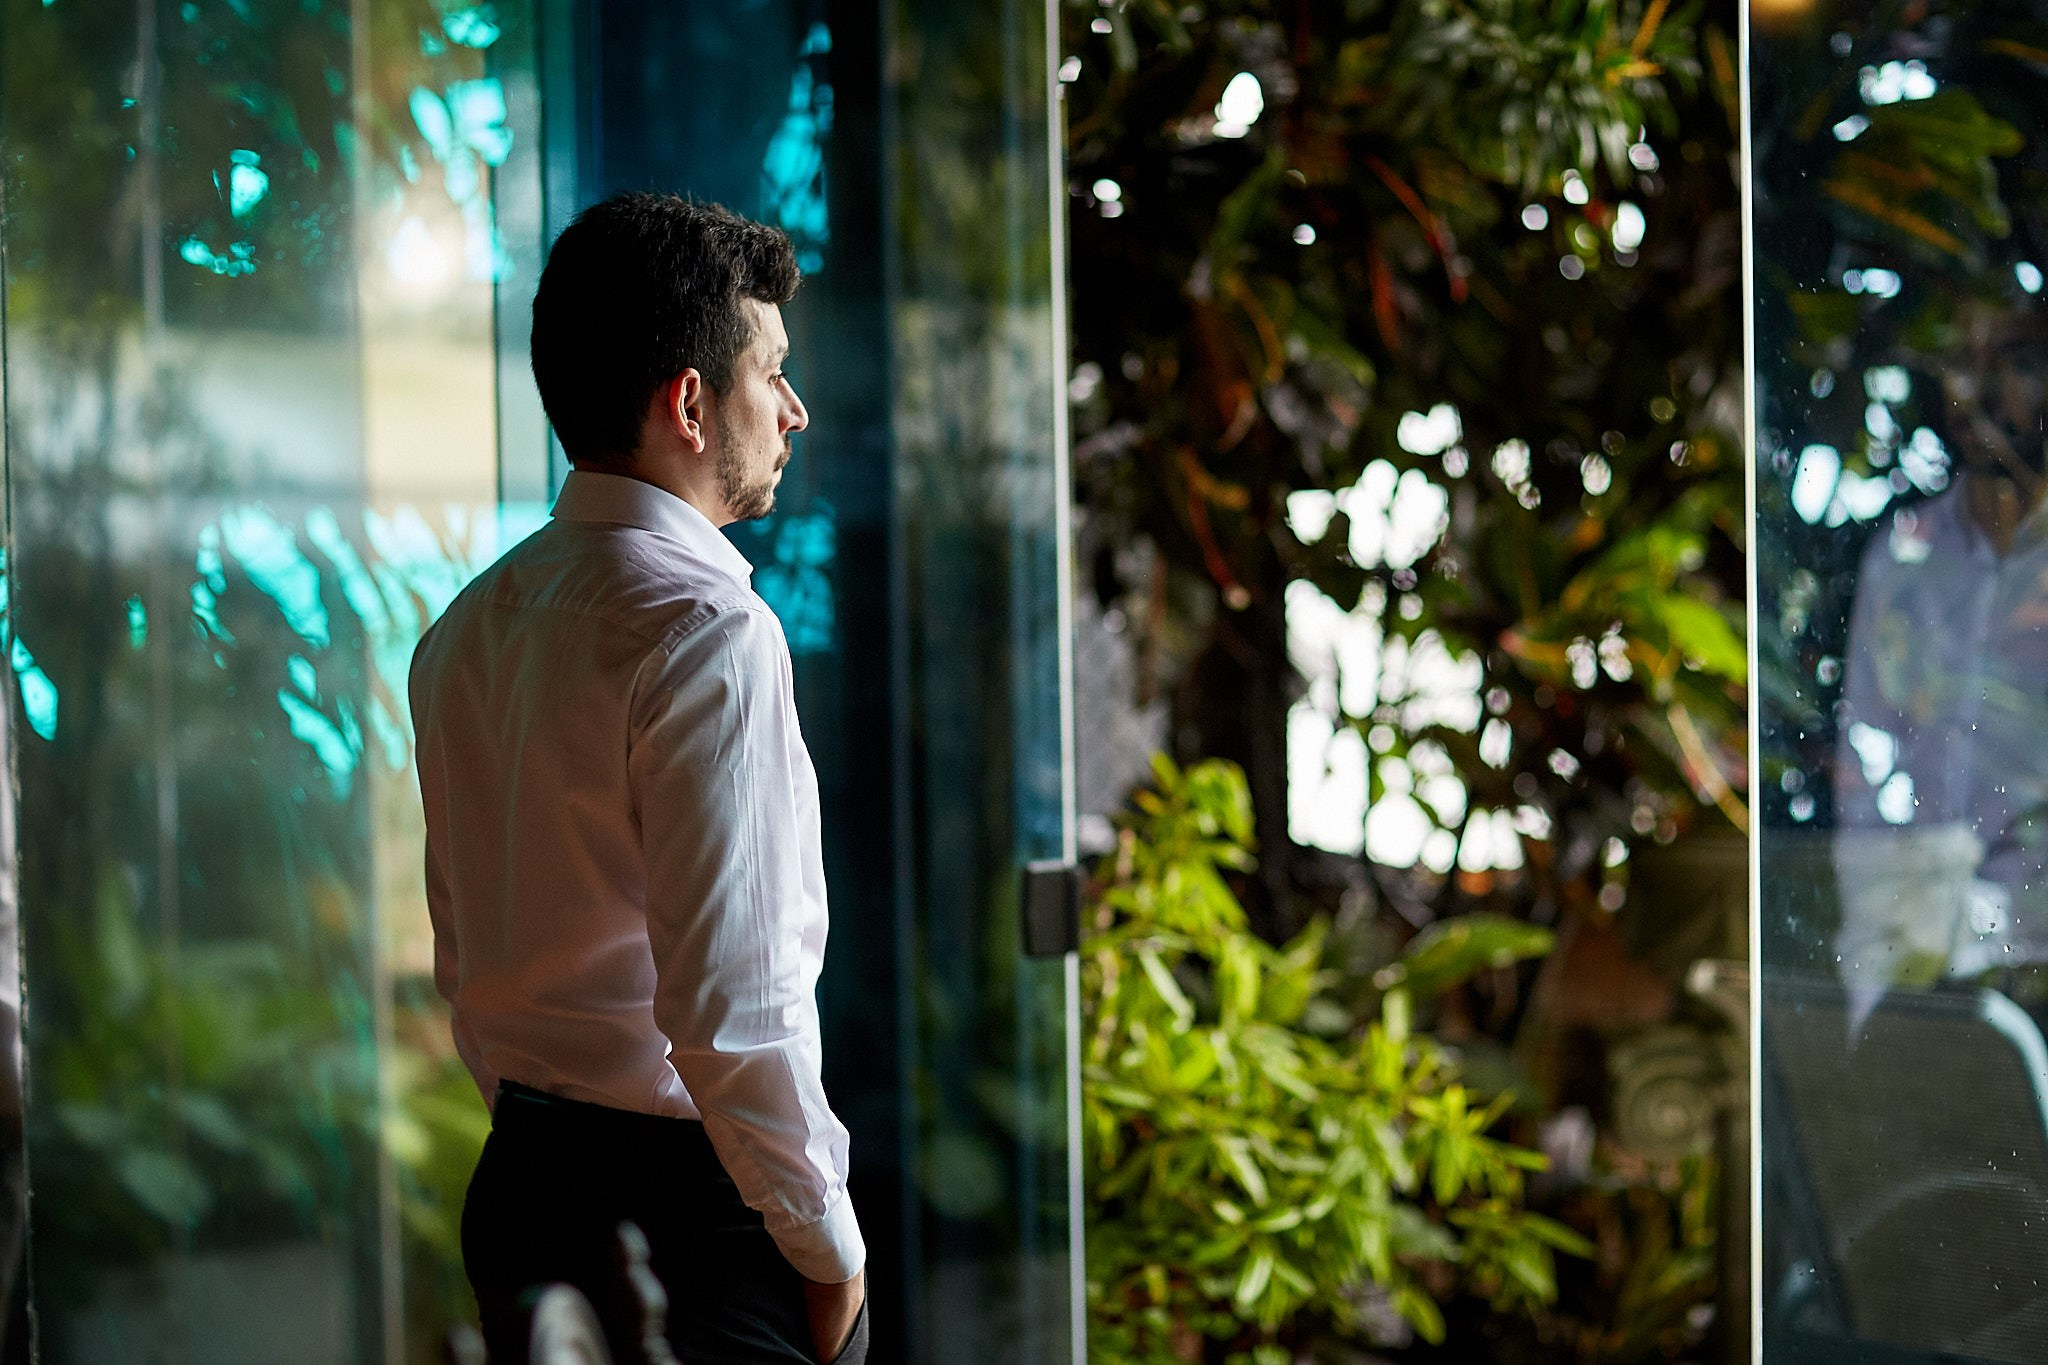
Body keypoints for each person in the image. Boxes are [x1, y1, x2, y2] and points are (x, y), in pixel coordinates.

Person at [409, 192, 867, 1365]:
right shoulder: (709, 630)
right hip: (691, 1220)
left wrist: (545, 1143)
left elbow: (463, 954)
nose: (795, 410)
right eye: (773, 374)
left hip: (521, 1191)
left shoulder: (468, 627)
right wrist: (829, 1249)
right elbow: (734, 1005)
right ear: (692, 403)